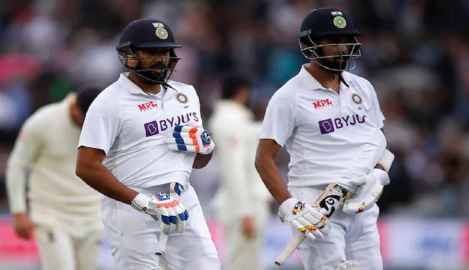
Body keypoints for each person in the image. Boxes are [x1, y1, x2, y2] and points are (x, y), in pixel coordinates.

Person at [255, 7, 394, 270]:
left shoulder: (363, 87)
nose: (342, 48)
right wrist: (290, 206)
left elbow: (378, 140)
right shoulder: (289, 97)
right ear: (310, 45)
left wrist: (379, 174)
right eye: (333, 41)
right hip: (317, 207)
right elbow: (263, 159)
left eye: (346, 41)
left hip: (361, 202)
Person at [75, 18, 221, 270]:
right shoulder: (109, 101)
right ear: (129, 55)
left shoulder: (185, 95)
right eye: (151, 51)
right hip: (132, 206)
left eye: (165, 51)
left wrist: (206, 148)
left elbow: (197, 162)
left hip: (183, 198)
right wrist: (142, 202)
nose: (161, 58)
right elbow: (86, 167)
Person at [6, 87, 103, 270]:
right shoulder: (43, 121)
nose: (89, 128)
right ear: (74, 108)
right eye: (85, 121)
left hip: (93, 216)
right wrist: (19, 211)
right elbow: (17, 165)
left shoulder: (106, 125)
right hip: (51, 215)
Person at [209, 73, 271, 270]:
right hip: (244, 205)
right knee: (243, 265)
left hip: (246, 201)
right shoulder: (229, 120)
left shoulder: (235, 119)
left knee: (249, 263)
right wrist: (245, 212)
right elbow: (234, 168)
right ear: (244, 93)